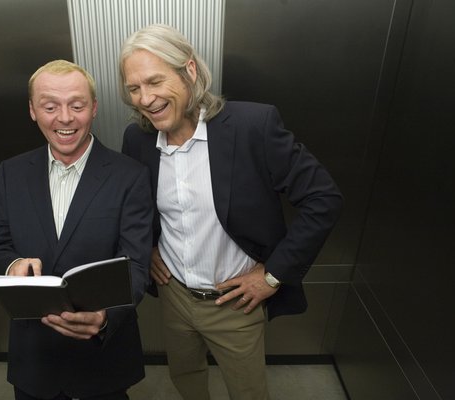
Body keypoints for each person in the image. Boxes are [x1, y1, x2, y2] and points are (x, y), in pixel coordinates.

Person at [119, 24, 343, 400]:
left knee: (248, 392)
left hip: (234, 303)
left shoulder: (253, 126)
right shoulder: (137, 139)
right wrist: (149, 248)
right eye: (134, 88)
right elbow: (136, 207)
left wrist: (273, 275)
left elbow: (323, 199)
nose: (145, 98)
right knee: (186, 377)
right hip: (174, 295)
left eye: (155, 81)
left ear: (189, 71)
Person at [0, 60, 153, 400]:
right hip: (34, 358)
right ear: (32, 110)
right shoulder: (11, 173)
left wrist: (106, 317)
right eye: (50, 107)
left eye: (77, 105)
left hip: (102, 358)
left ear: (94, 108)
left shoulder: (131, 176)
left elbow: (136, 266)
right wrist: (11, 265)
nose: (65, 118)